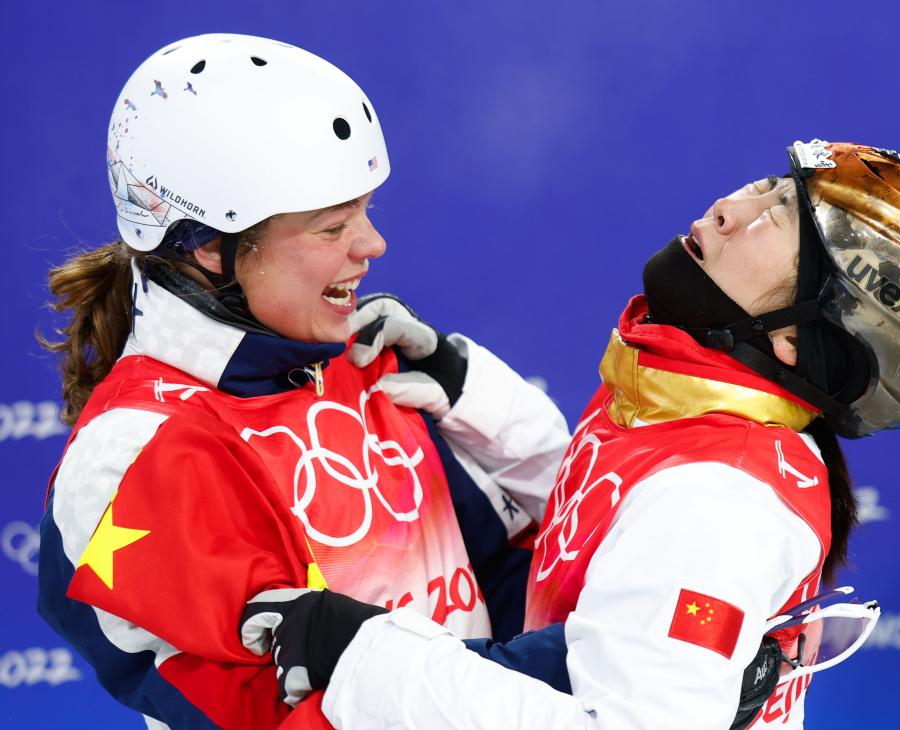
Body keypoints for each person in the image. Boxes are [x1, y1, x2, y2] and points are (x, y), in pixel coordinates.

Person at [241, 139, 900, 729]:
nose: (729, 207)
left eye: (776, 220)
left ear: (795, 340)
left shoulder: (717, 505)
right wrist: (464, 384)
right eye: (767, 186)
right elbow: (606, 519)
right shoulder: (699, 407)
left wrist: (361, 654)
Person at [36, 33, 573, 729]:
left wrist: (471, 391)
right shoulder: (137, 458)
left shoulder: (352, 360)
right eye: (331, 227)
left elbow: (527, 565)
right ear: (210, 246)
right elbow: (287, 716)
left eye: (366, 211)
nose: (372, 245)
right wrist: (594, 669)